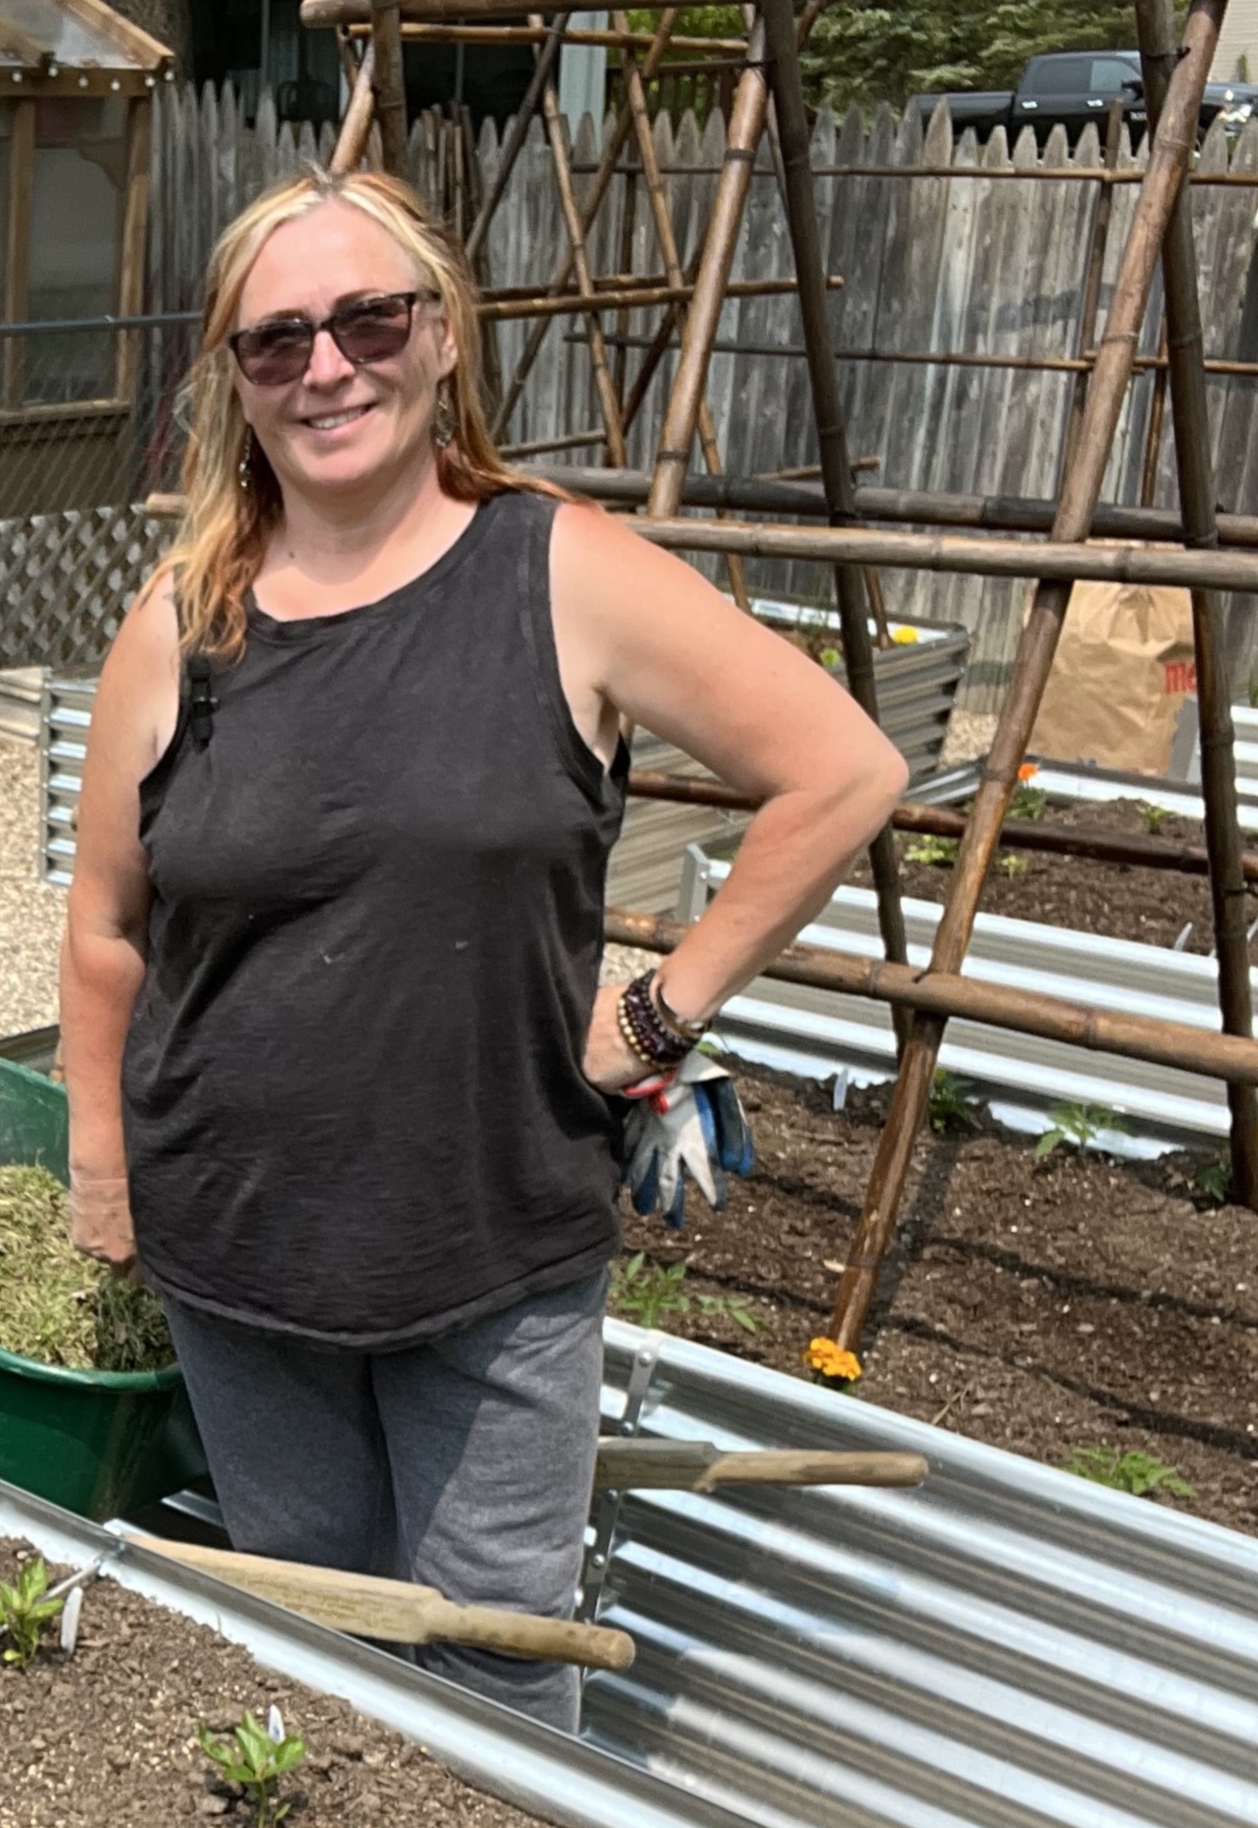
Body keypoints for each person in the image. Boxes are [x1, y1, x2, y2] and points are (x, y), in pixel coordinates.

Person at [61, 164, 904, 1730]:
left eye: (370, 319)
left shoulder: (559, 572)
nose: (328, 366)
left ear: (443, 335)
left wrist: (656, 1016)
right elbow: (110, 921)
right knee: (310, 1647)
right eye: (277, 340)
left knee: (500, 1678)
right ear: (233, 384)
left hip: (488, 1252)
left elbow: (844, 772)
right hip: (237, 1253)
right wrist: (101, 1158)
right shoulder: (182, 620)